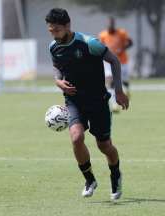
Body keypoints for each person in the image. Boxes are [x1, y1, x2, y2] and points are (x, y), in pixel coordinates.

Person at [45, 8, 129, 200]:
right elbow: (57, 66)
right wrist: (58, 81)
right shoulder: (53, 47)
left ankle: (115, 174)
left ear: (67, 26)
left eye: (57, 30)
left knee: (104, 145)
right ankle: (89, 179)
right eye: (51, 31)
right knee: (76, 138)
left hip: (98, 101)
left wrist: (118, 90)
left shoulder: (89, 43)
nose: (54, 34)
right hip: (74, 101)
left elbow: (114, 61)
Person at [99, 17, 133, 112]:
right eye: (108, 24)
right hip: (109, 62)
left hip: (122, 61)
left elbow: (130, 42)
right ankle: (114, 104)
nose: (110, 26)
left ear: (114, 24)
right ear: (106, 25)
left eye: (112, 24)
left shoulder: (121, 33)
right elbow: (100, 47)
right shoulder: (103, 35)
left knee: (125, 82)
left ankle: (127, 92)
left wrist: (121, 49)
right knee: (110, 82)